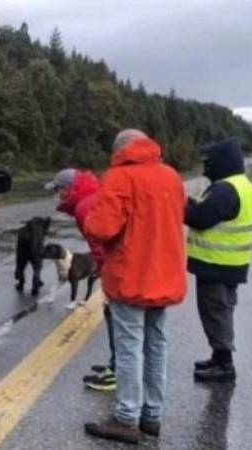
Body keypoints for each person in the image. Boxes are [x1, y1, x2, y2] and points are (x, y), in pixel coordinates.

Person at [82, 129, 187, 444]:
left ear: (119, 150)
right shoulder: (171, 177)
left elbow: (102, 227)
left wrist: (89, 220)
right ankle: (152, 415)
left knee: (129, 347)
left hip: (131, 276)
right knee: (157, 345)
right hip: (165, 275)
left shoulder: (119, 177)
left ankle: (127, 417)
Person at [185, 137, 252, 383]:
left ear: (222, 162)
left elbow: (199, 217)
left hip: (217, 264)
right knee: (221, 310)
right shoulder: (242, 185)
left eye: (210, 162)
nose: (206, 167)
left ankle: (224, 364)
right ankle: (219, 357)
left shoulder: (225, 189)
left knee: (216, 311)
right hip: (229, 264)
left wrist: (180, 204)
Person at [45, 168, 115, 392]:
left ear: (68, 189)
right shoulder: (92, 197)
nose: (56, 195)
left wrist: (106, 275)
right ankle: (117, 366)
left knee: (116, 316)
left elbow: (99, 244)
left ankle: (117, 372)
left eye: (57, 190)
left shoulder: (84, 207)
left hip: (118, 270)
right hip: (123, 265)